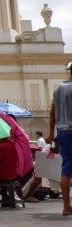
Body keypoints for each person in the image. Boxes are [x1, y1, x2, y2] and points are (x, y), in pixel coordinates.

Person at [47, 61, 72, 216]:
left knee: (66, 169)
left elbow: (52, 113)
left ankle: (66, 206)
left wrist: (50, 133)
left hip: (62, 132)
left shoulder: (58, 89)